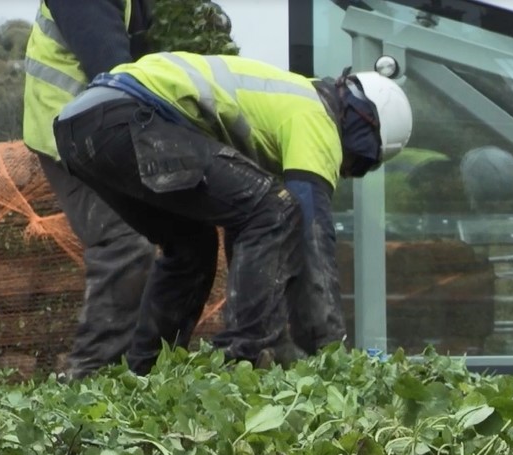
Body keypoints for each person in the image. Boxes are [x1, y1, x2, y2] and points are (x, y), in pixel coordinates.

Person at [50, 53, 412, 371]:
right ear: (361, 129)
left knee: (192, 247)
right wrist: (331, 353)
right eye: (356, 163)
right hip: (126, 116)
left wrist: (292, 336)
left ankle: (144, 376)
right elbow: (309, 237)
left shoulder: (281, 105)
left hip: (81, 127)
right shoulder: (316, 118)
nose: (344, 171)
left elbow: (255, 243)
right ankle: (243, 360)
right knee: (277, 207)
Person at [22, 0, 160, 378]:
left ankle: (142, 365)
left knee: (166, 236)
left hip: (95, 124)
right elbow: (117, 71)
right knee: (124, 242)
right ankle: (92, 376)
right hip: (70, 128)